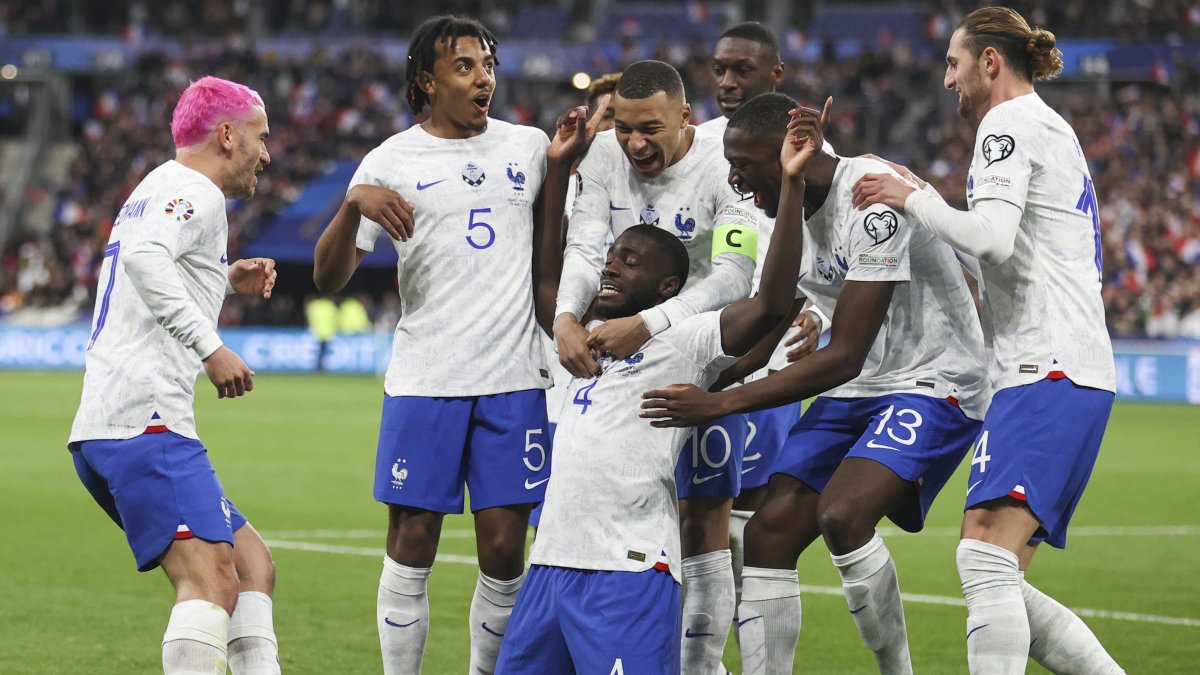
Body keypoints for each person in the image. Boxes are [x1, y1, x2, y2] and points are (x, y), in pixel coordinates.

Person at [641, 92, 989, 674]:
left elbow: (844, 354)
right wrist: (698, 380)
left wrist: (720, 404)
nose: (735, 179)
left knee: (842, 514)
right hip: (861, 387)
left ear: (789, 152)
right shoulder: (785, 212)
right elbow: (772, 317)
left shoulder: (871, 200)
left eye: (743, 164)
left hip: (934, 378)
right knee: (769, 534)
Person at [497, 99, 819, 675]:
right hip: (547, 566)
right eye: (611, 256)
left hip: (629, 569)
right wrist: (558, 168)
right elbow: (547, 275)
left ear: (668, 285)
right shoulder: (577, 337)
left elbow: (769, 304)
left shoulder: (685, 342)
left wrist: (791, 187)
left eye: (630, 260)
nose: (611, 266)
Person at [850, 7, 1124, 673]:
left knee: (982, 557)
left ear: (990, 61)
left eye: (954, 63)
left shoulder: (1007, 125)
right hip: (1065, 368)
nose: (948, 80)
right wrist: (924, 195)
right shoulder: (1047, 126)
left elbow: (993, 240)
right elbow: (1000, 256)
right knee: (998, 572)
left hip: (1046, 367)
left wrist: (912, 199)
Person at [312, 15, 554, 674]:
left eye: (488, 65)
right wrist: (352, 206)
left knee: (504, 551)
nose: (484, 79)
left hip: (515, 377)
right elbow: (329, 277)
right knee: (413, 538)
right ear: (426, 81)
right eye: (465, 67)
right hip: (426, 377)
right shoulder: (390, 161)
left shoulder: (529, 146)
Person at [67, 75, 280, 675]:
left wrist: (222, 277)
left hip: (113, 426)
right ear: (228, 135)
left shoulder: (155, 186)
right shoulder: (196, 190)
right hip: (145, 422)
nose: (267, 154)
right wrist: (212, 348)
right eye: (262, 137)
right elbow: (145, 258)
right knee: (211, 582)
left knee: (251, 567)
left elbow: (153, 261)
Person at [551, 59, 759, 671]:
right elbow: (584, 247)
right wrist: (566, 317)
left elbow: (735, 275)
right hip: (618, 363)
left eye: (651, 129)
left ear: (685, 116)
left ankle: (703, 665)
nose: (636, 144)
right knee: (602, 504)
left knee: (708, 522)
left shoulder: (723, 164)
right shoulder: (601, 156)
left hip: (706, 355)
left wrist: (652, 323)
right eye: (624, 128)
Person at [694, 23, 827, 638]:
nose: (727, 82)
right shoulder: (694, 144)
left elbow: (831, 255)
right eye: (719, 69)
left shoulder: (811, 152)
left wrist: (818, 311)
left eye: (742, 70)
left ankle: (747, 650)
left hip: (769, 366)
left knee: (753, 527)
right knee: (697, 523)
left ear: (776, 74)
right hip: (707, 351)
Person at [531, 70, 621, 530]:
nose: (608, 130)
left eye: (619, 118)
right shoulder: (555, 197)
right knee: (550, 528)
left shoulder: (665, 194)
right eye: (601, 118)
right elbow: (545, 282)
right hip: (559, 387)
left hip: (632, 385)